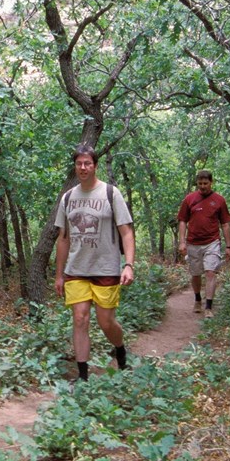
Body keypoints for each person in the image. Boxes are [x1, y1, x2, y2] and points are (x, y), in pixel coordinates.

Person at [54, 144, 135, 379]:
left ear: (95, 165)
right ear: (75, 167)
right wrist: (59, 275)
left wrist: (128, 264)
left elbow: (126, 232)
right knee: (80, 318)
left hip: (105, 267)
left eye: (87, 163)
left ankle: (119, 349)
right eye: (79, 163)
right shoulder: (68, 198)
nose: (83, 167)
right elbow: (63, 238)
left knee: (106, 322)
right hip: (76, 269)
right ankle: (83, 377)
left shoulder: (111, 193)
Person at [177, 170, 230, 319]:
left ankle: (208, 306)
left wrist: (228, 246)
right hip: (193, 243)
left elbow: (225, 224)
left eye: (205, 183)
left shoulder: (219, 200)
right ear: (197, 183)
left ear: (211, 182)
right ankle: (197, 299)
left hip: (212, 242)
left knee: (210, 272)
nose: (203, 186)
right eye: (200, 183)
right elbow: (182, 221)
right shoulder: (189, 199)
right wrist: (182, 242)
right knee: (195, 274)